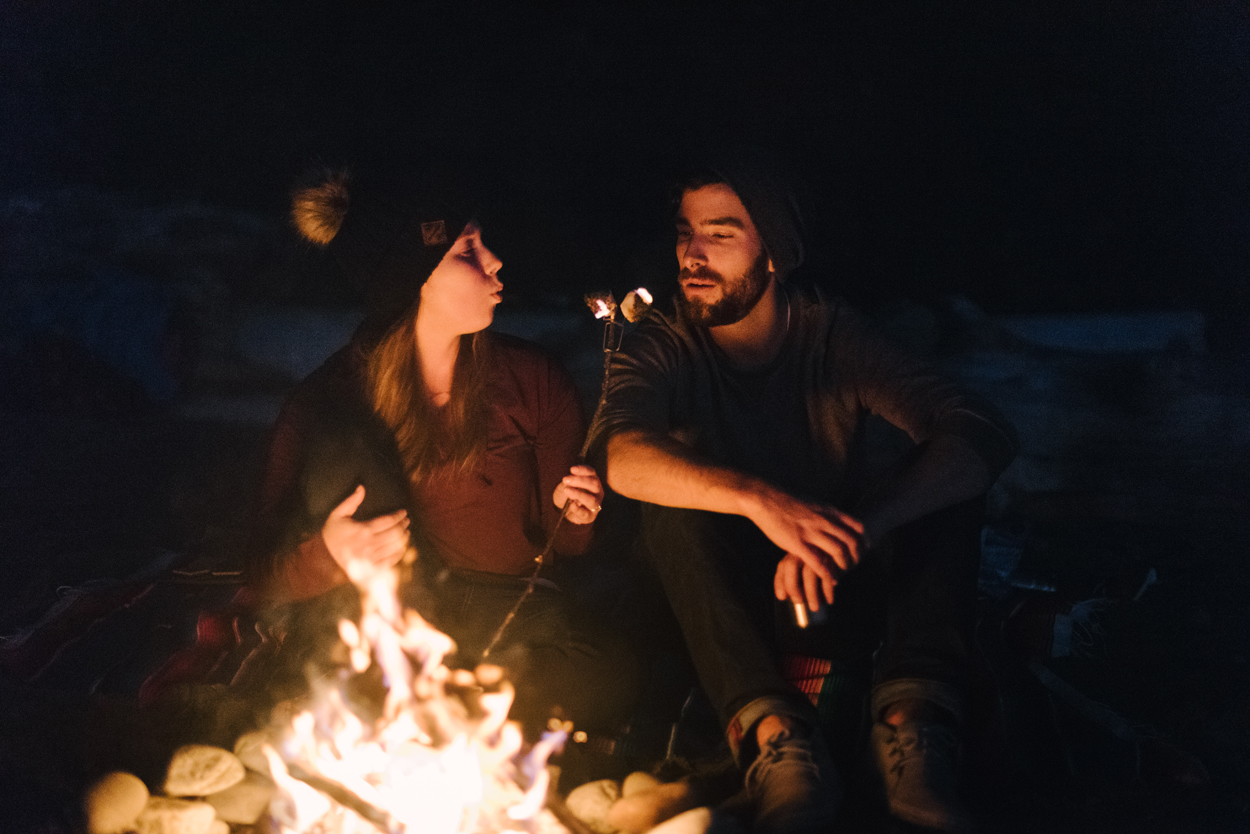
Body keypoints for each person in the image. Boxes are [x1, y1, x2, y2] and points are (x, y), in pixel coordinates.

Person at [588, 155, 1017, 833]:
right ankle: (777, 746)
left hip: (831, 577)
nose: (693, 256)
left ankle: (913, 732)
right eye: (685, 232)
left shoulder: (829, 334)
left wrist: (862, 527)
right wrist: (763, 502)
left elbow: (979, 429)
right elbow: (623, 455)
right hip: (725, 598)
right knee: (669, 506)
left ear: (774, 257)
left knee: (946, 488)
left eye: (721, 234)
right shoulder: (662, 343)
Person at [246, 169, 638, 738]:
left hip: (510, 613)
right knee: (341, 442)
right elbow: (262, 572)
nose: (496, 261)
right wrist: (330, 552)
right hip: (389, 615)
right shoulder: (323, 402)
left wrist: (577, 510)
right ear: (414, 280)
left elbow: (567, 545)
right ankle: (447, 707)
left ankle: (426, 713)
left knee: (614, 670)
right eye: (468, 251)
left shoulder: (533, 380)